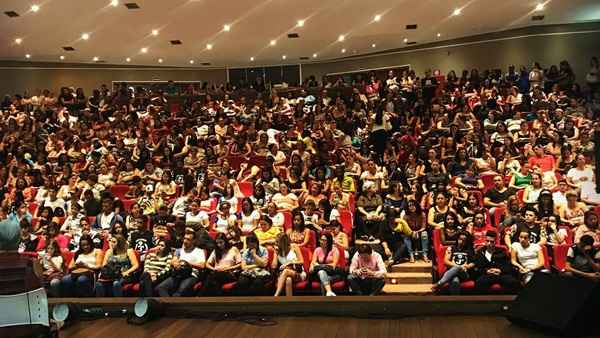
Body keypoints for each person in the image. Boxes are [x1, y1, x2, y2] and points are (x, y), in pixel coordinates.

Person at [157, 230, 206, 297]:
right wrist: (175, 263)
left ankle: (173, 305)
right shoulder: (179, 250)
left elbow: (202, 265)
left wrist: (186, 264)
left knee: (180, 291)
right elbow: (173, 261)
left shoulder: (199, 251)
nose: (185, 241)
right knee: (161, 287)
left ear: (194, 241)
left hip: (191, 275)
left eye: (188, 239)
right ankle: (169, 305)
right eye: (184, 239)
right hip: (178, 274)